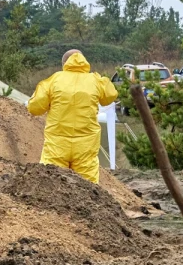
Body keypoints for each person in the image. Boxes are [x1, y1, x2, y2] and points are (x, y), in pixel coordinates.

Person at [27, 50, 117, 184]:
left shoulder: (54, 81)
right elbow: (110, 96)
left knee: (50, 183)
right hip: (86, 146)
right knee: (88, 187)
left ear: (64, 64)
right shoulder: (95, 81)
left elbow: (34, 108)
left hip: (57, 145)